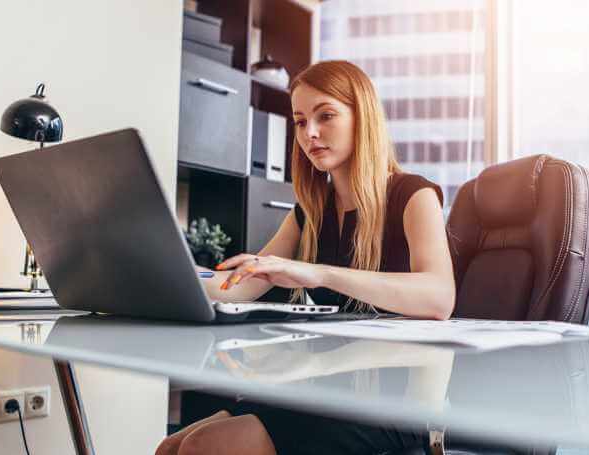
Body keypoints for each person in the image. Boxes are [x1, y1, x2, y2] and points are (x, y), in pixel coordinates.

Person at [156, 60, 455, 455]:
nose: (309, 133)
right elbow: (240, 287)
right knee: (172, 447)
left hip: (393, 404)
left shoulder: (413, 196)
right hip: (326, 386)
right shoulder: (311, 211)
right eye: (299, 121)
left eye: (325, 116)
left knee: (205, 448)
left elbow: (438, 299)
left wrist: (318, 274)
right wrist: (162, 277)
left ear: (362, 117)